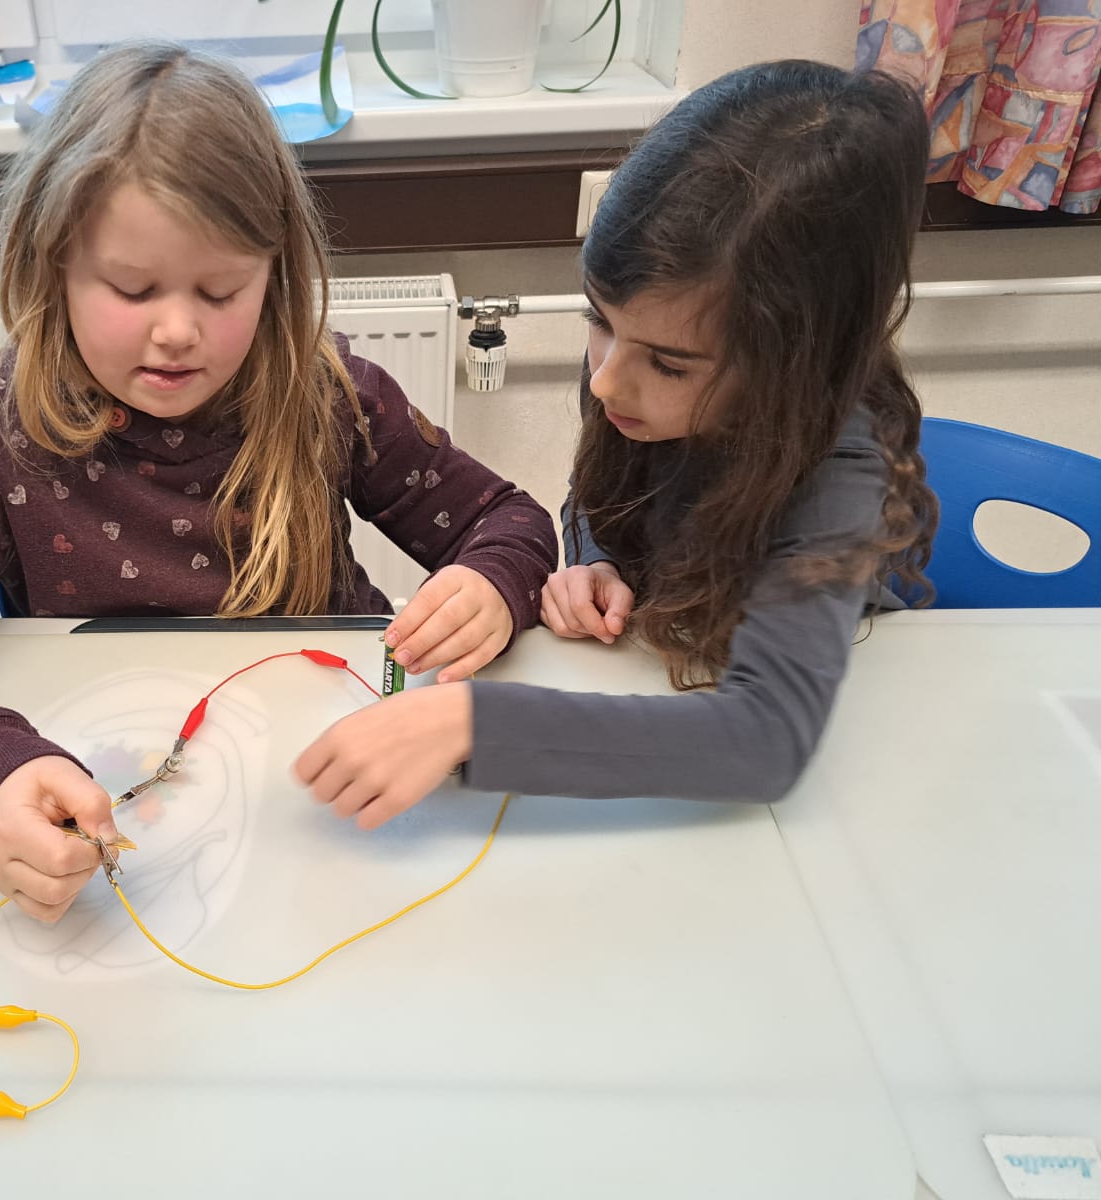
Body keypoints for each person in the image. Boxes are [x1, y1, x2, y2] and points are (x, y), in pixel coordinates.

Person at [0, 42, 557, 921]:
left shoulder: (332, 394)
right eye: (132, 288)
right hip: (114, 807)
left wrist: (492, 579)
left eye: (220, 292)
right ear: (51, 264)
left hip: (324, 808)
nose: (178, 331)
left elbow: (508, 519)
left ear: (275, 276)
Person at [296, 59, 939, 827]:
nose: (605, 382)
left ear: (795, 362)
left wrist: (471, 724)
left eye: (669, 364)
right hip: (658, 676)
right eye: (597, 321)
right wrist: (595, 559)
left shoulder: (841, 468)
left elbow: (764, 741)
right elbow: (599, 495)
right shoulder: (637, 365)